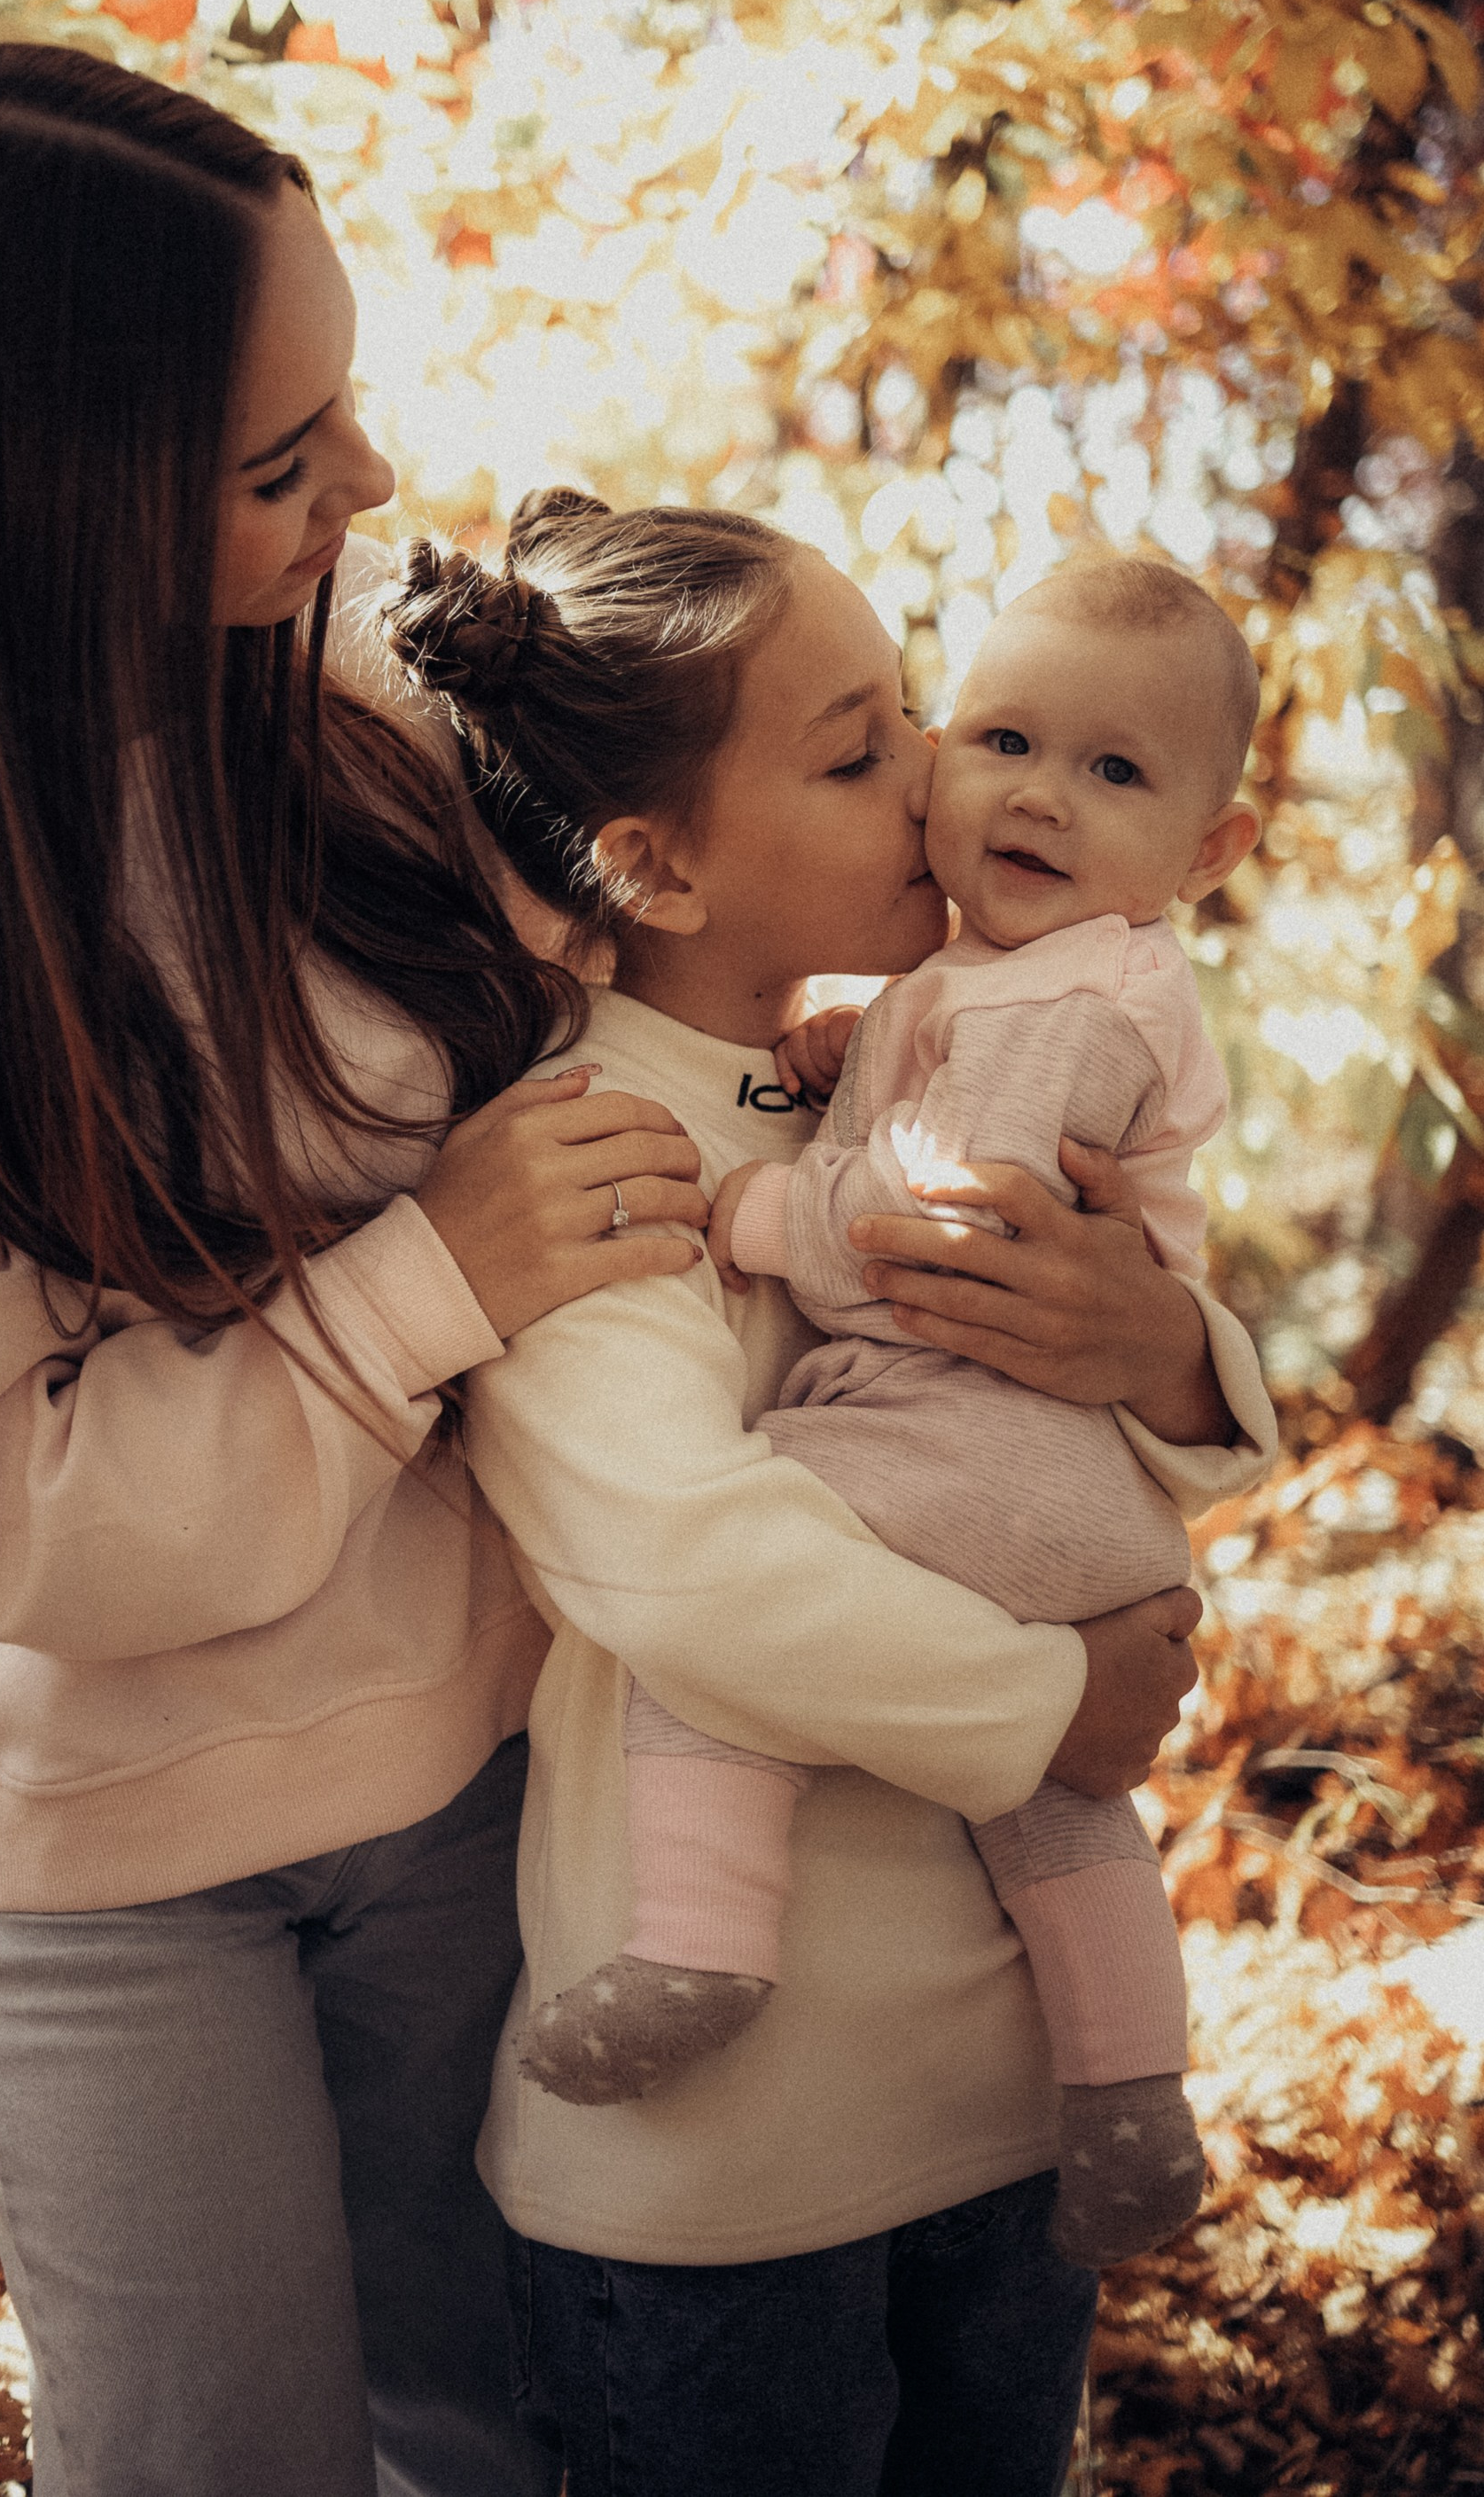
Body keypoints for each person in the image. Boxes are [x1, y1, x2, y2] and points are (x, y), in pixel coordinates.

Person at [0, 42, 1227, 2497]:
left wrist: (1162, 1328)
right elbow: (14, 1520)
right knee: (214, 2454)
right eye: (277, 460)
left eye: (353, 405)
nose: (372, 486)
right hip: (107, 1852)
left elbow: (754, 1016)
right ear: (42, 490)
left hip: (467, 1776)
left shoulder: (382, 743)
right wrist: (420, 1283)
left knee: (492, 2434)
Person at [382, 495, 1277, 2497]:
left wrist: (1152, 1354)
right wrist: (1054, 1710)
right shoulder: (582, 1145)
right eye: (867, 748)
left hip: (1006, 2088)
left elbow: (1046, 1461)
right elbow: (689, 1565)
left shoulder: (908, 1060)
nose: (945, 793)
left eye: (913, 723)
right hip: (732, 2158)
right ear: (656, 865)